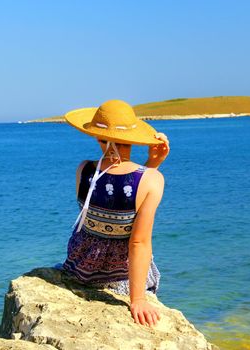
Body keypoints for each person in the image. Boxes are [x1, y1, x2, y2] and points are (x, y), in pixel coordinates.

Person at [57, 100, 170, 328]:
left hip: (80, 268)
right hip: (119, 278)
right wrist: (137, 299)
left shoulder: (84, 169)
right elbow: (138, 242)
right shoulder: (151, 180)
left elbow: (113, 196)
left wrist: (151, 165)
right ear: (133, 138)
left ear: (97, 136)